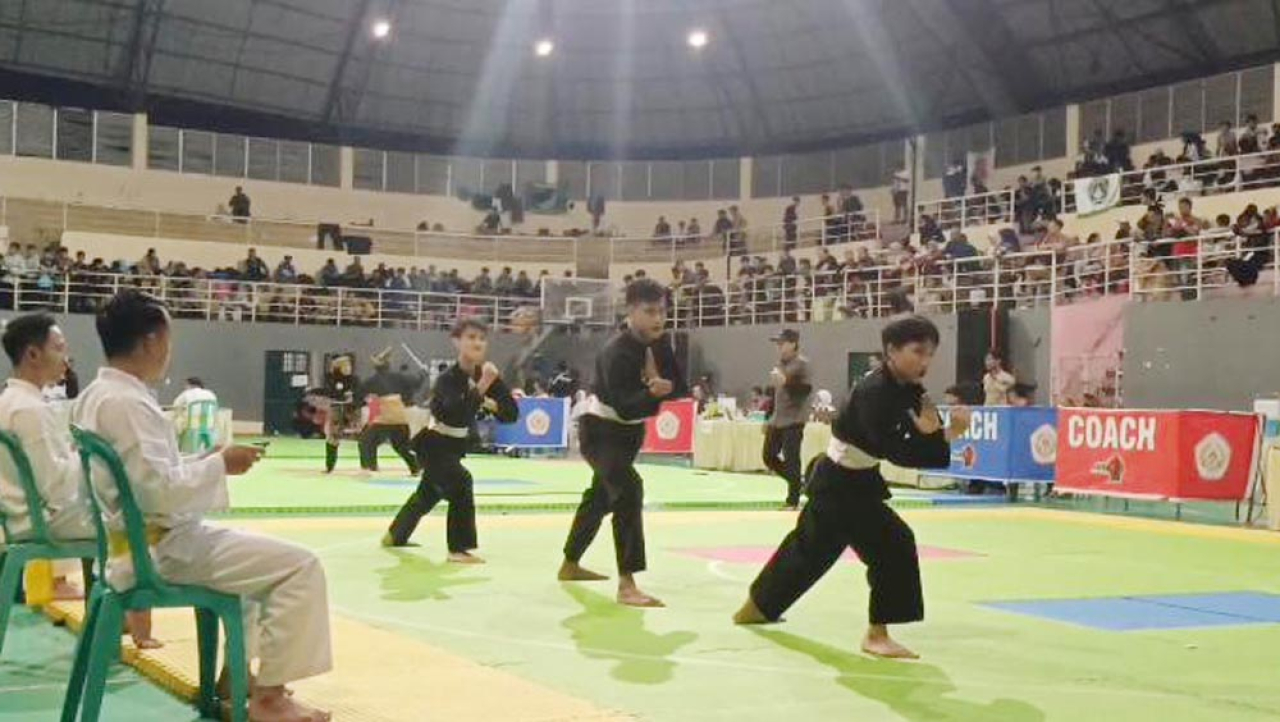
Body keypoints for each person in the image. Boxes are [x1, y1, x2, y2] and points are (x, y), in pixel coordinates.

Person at [72, 291, 332, 721]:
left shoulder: (97, 396)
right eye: (167, 340)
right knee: (300, 566)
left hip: (133, 541)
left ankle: (237, 680)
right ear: (153, 340)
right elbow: (158, 491)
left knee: (257, 557)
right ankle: (270, 699)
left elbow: (146, 476)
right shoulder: (126, 402)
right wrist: (218, 465)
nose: (168, 351)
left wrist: (208, 462)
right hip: (158, 549)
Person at [733, 316, 973, 659]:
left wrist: (935, 433)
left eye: (930, 353)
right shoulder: (876, 392)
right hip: (842, 483)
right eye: (917, 351)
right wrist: (947, 435)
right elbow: (899, 452)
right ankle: (876, 634)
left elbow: (915, 435)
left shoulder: (906, 387)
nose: (925, 361)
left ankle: (756, 607)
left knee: (810, 551)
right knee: (891, 543)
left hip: (848, 479)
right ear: (891, 350)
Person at [558, 279, 687, 607]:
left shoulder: (662, 345)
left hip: (629, 434)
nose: (658, 318)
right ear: (631, 311)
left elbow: (679, 387)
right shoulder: (614, 352)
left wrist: (661, 388)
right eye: (650, 311)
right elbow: (626, 404)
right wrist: (653, 392)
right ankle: (627, 584)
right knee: (629, 490)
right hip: (599, 432)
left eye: (662, 311)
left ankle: (570, 564)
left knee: (601, 496)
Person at [384, 320, 517, 561]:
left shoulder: (488, 375)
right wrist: (483, 387)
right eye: (471, 337)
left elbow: (511, 414)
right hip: (432, 444)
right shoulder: (448, 378)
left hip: (454, 447)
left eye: (481, 338)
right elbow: (456, 413)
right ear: (457, 341)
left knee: (428, 494)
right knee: (461, 482)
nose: (477, 342)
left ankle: (395, 535)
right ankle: (458, 549)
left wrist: (486, 396)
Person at [762, 329, 812, 509]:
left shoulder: (802, 365)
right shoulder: (780, 365)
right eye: (777, 344)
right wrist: (768, 418)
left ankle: (793, 500)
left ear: (793, 344)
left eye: (781, 343)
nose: (779, 347)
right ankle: (798, 483)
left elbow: (804, 390)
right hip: (778, 419)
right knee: (768, 456)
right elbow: (777, 395)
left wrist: (785, 382)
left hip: (794, 419)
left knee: (792, 458)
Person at [357, 348, 423, 475]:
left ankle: (369, 468)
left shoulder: (372, 381)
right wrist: (423, 373)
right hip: (399, 416)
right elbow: (416, 383)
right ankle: (416, 468)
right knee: (401, 446)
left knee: (366, 442)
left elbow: (359, 396)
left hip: (384, 418)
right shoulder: (399, 377)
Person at [322, 354, 360, 473]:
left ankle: (367, 465)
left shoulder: (355, 379)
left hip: (351, 409)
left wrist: (352, 395)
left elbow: (359, 392)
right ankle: (330, 466)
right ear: (339, 367)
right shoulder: (331, 378)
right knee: (332, 437)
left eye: (349, 365)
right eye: (346, 365)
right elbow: (330, 392)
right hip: (337, 408)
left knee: (361, 436)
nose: (349, 367)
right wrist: (341, 395)